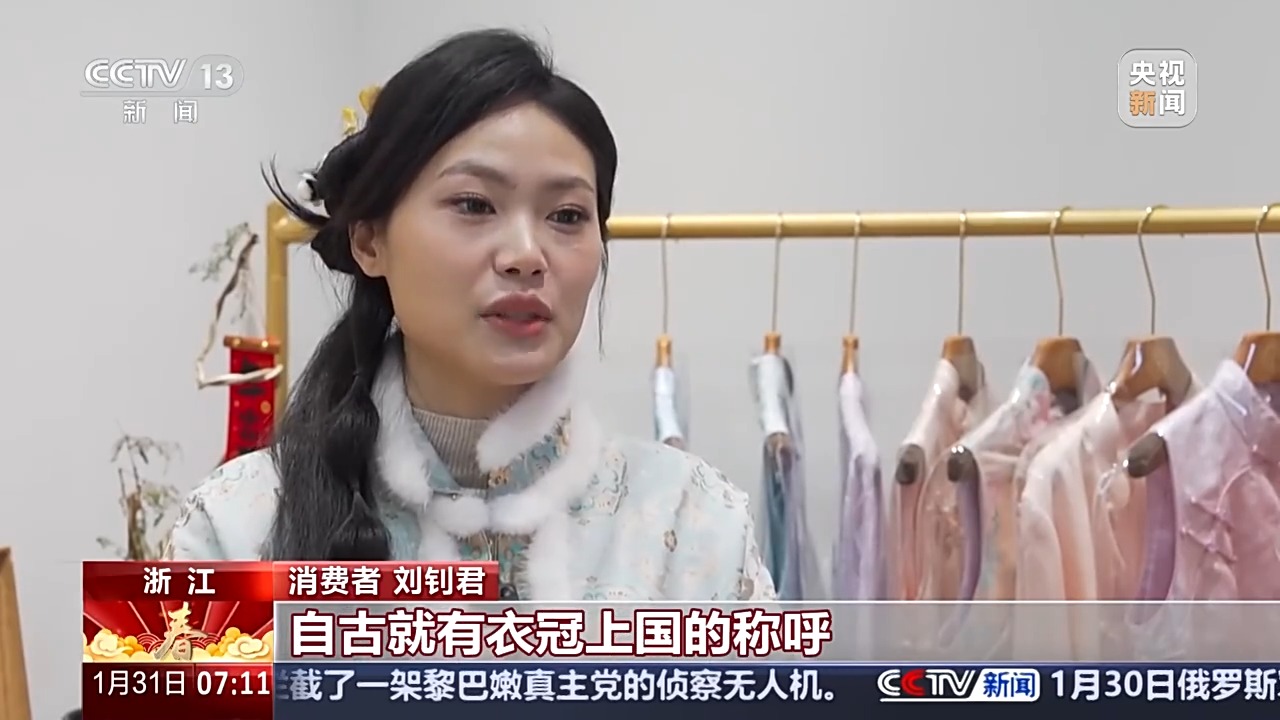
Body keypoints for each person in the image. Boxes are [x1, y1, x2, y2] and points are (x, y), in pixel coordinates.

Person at [165, 29, 775, 602]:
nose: (526, 256)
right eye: (475, 204)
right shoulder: (237, 529)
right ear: (370, 241)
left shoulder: (694, 524)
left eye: (566, 216)